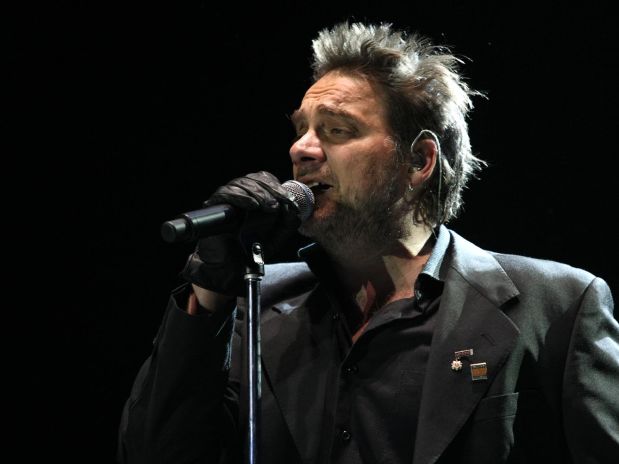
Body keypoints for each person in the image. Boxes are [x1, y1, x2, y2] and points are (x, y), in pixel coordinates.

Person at [117, 21, 619, 464]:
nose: (301, 149)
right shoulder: (253, 302)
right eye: (301, 130)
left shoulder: (556, 306)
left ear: (419, 161)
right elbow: (156, 453)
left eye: (336, 130)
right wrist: (210, 290)